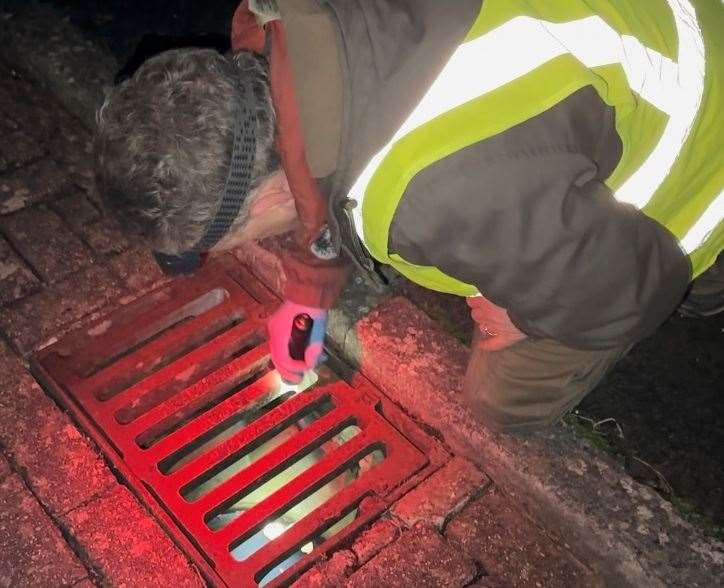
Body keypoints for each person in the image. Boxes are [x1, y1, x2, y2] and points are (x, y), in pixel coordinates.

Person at [95, 0, 723, 433]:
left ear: (261, 203)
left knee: (501, 397)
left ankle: (710, 273)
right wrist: (305, 298)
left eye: (232, 241)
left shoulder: (430, 202)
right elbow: (312, 170)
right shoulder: (283, 26)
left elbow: (628, 290)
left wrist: (524, 311)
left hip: (705, 96)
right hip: (647, 22)